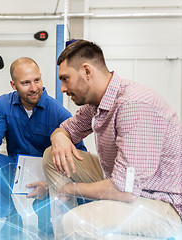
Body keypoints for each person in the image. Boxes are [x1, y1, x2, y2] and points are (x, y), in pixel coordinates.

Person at [42, 39, 182, 239]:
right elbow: (66, 129)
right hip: (125, 184)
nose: (62, 88)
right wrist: (60, 138)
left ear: (87, 72)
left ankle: (74, 226)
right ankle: (63, 234)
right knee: (51, 156)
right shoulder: (99, 102)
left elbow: (125, 191)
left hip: (161, 205)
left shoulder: (133, 105)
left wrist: (71, 189)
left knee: (76, 221)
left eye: (65, 79)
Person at [0, 57, 86, 238]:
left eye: (37, 80)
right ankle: (11, 216)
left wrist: (51, 184)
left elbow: (80, 153)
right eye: (26, 83)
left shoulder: (57, 111)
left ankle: (46, 218)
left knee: (47, 229)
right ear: (14, 85)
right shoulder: (3, 105)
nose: (34, 88)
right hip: (16, 170)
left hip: (47, 176)